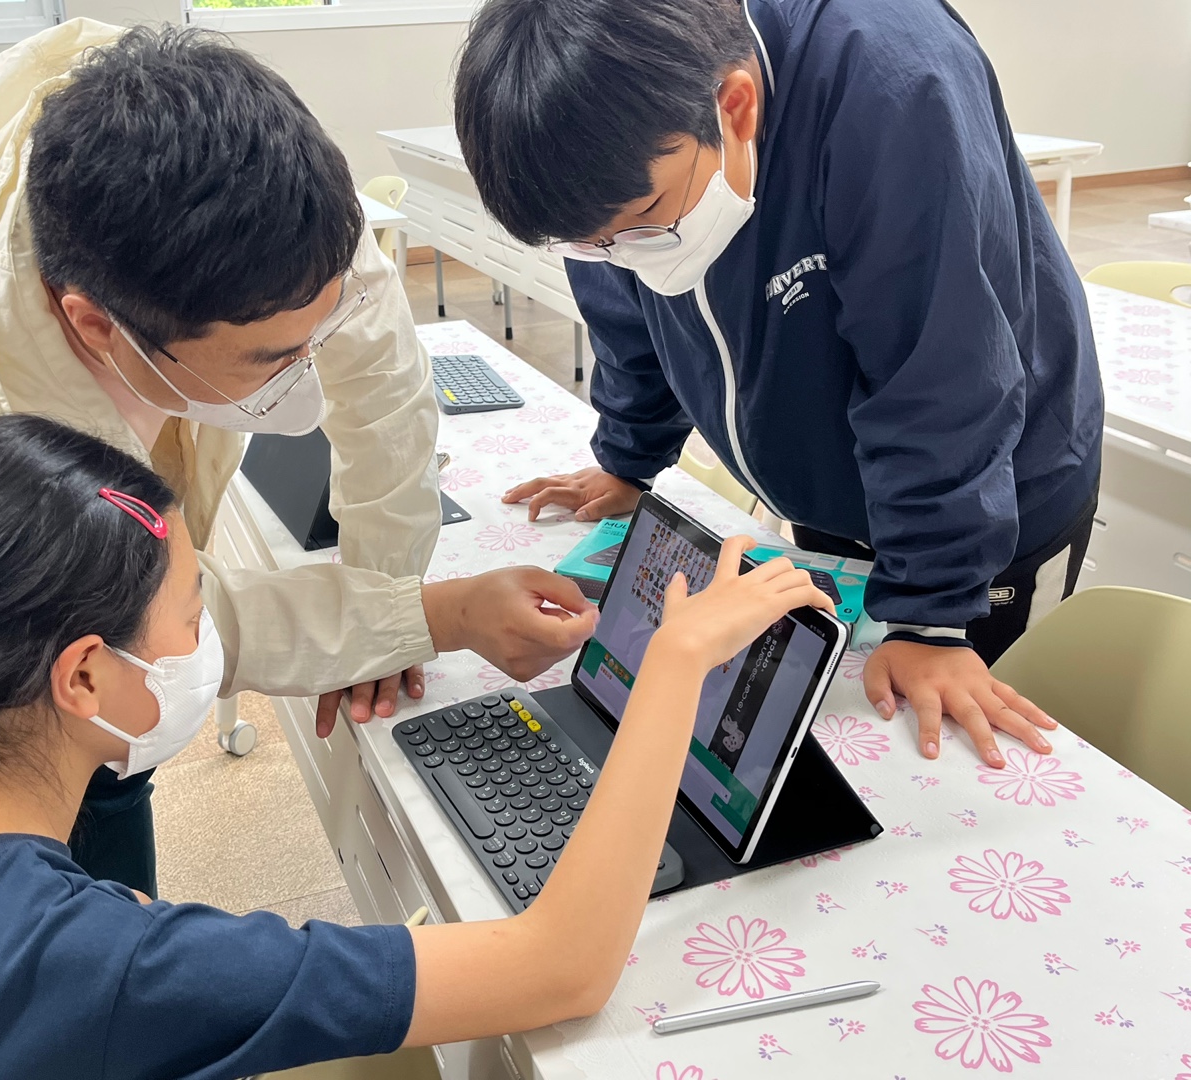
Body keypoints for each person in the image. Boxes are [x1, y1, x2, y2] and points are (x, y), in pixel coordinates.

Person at [0, 22, 594, 894]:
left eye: (319, 330)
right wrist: (435, 616)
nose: (308, 373)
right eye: (273, 358)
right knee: (36, 778)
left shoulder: (262, 187)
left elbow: (382, 386)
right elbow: (156, 617)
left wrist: (390, 605)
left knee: (127, 721)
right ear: (96, 326)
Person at [0, 415, 832, 1079]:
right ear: (82, 677)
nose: (206, 646)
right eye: (192, 615)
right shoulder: (109, 965)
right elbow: (564, 968)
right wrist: (674, 669)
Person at [453, 0, 1103, 770]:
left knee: (954, 755)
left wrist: (930, 616)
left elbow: (944, 369)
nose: (624, 253)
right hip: (836, 488)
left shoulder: (892, 80)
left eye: (647, 219)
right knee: (817, 750)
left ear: (735, 106)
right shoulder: (630, 146)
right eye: (593, 244)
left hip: (987, 502)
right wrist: (630, 456)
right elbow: (629, 300)